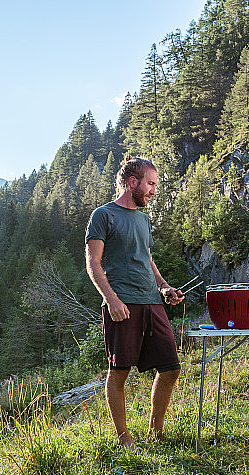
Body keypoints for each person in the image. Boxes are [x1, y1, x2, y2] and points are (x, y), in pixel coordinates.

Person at [85, 156, 185, 452]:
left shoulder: (143, 219)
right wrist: (110, 298)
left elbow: (146, 258)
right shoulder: (103, 215)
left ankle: (156, 434)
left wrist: (164, 286)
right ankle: (124, 438)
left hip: (152, 302)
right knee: (119, 371)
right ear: (132, 183)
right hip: (122, 304)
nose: (154, 190)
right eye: (151, 184)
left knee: (170, 368)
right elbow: (93, 262)